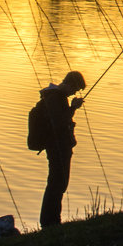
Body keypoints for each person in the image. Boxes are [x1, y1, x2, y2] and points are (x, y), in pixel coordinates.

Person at [39, 70, 86, 228]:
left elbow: (61, 120)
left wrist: (71, 109)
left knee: (59, 183)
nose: (74, 93)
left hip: (60, 147)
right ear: (69, 84)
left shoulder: (57, 97)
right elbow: (58, 123)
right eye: (75, 89)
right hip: (57, 148)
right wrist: (73, 108)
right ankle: (49, 221)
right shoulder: (55, 98)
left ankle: (52, 220)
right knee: (56, 183)